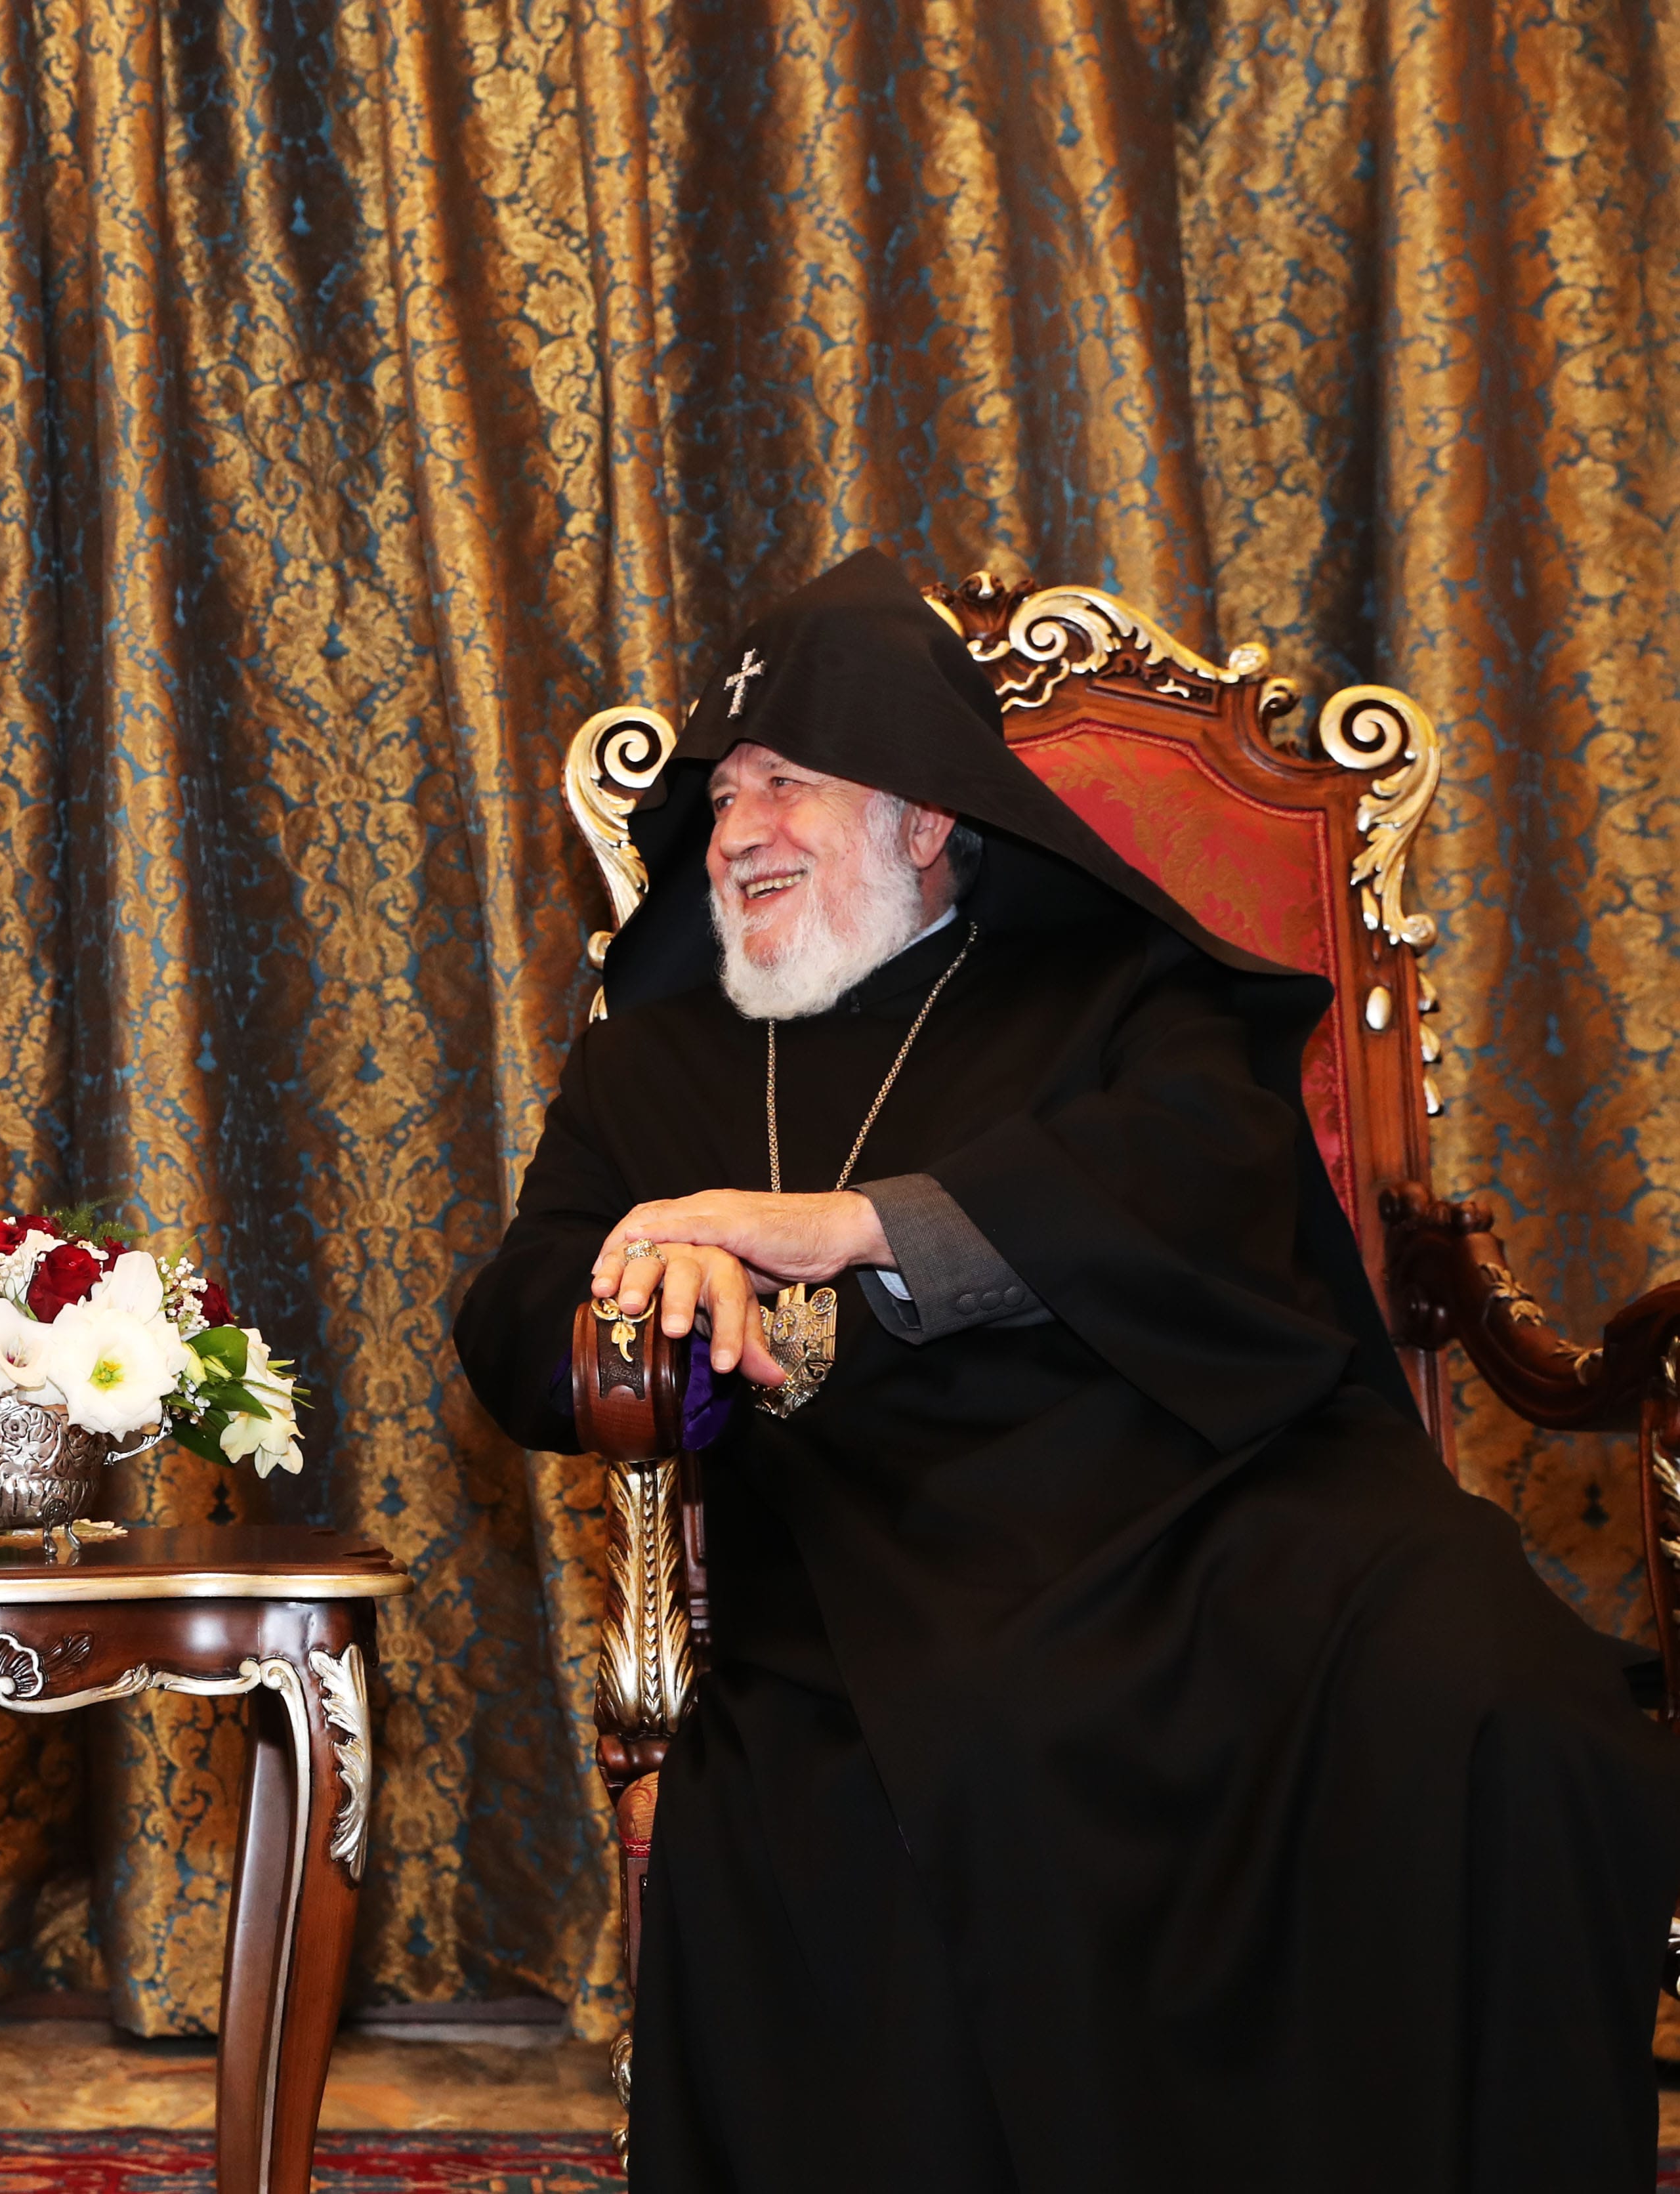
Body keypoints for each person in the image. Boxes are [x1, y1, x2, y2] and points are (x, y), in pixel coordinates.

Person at [456, 549, 1680, 2193]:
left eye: (788, 782)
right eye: (724, 790)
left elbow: (1203, 1169)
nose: (738, 827)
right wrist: (653, 1310)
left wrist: (851, 1228)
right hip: (884, 1560)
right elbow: (516, 1310)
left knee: (1511, 1707)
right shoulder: (653, 1061)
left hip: (1224, 1507)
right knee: (955, 1764)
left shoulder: (1109, 982)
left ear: (924, 814)